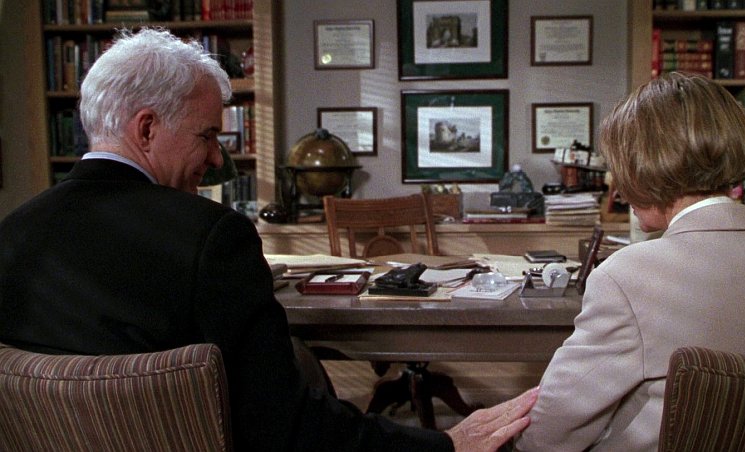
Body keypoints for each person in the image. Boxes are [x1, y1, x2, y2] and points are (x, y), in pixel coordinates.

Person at [0, 28, 537, 451]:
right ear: (146, 128)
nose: (216, 158)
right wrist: (444, 444)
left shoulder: (12, 235)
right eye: (208, 135)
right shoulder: (210, 236)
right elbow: (289, 428)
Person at [515, 72, 745, 451]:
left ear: (643, 169)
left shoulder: (626, 276)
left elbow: (552, 434)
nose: (617, 184)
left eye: (620, 167)